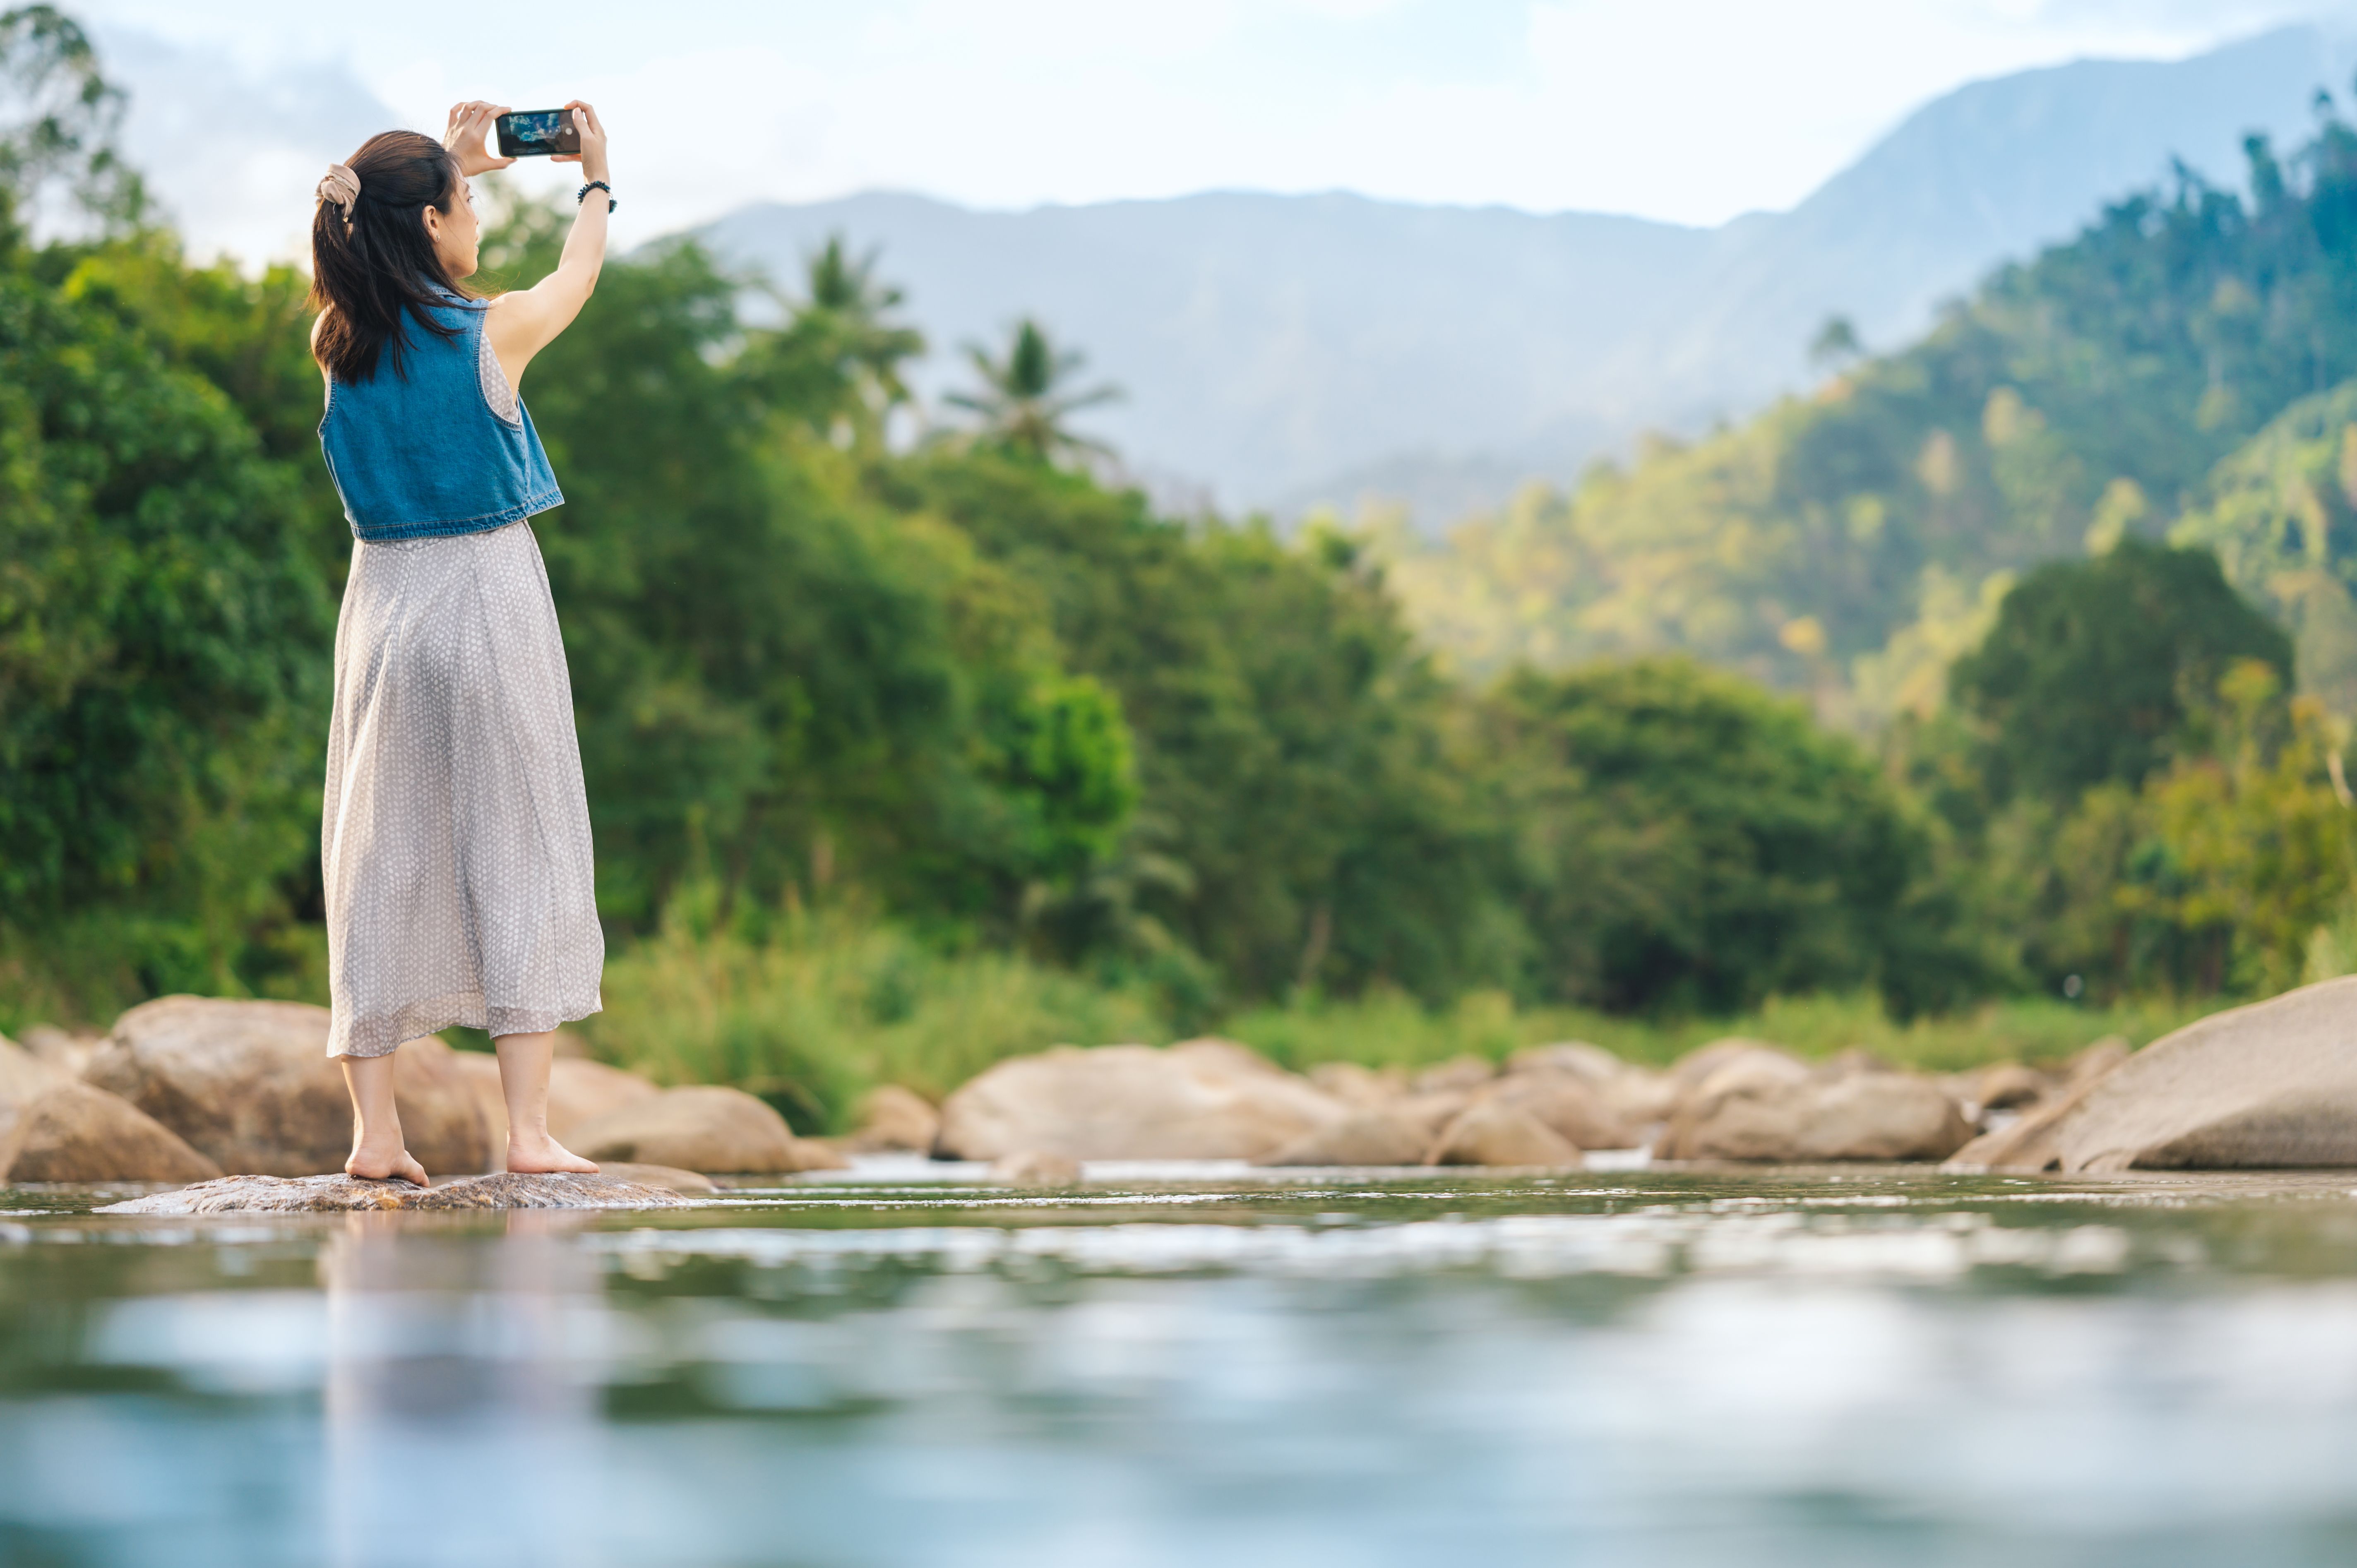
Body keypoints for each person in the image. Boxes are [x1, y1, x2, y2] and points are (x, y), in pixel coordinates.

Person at [308, 101, 615, 1186]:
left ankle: (375, 1137)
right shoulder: (489, 335)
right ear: (435, 222)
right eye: (471, 201)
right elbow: (575, 279)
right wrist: (594, 182)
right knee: (520, 844)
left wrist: (452, 165)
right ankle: (526, 1135)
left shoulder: (335, 348)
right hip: (486, 596)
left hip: (383, 609)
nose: (478, 215)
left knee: (376, 859)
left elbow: (387, 245)